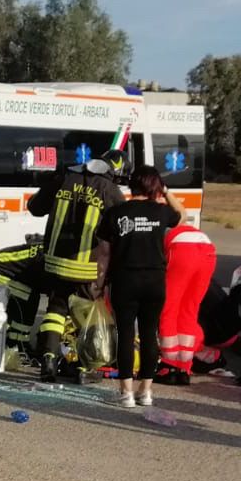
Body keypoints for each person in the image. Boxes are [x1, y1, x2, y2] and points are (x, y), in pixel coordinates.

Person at [30, 150, 128, 382]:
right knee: (88, 313)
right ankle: (87, 367)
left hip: (55, 262)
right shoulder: (110, 190)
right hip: (87, 267)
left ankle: (49, 361)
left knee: (56, 309)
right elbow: (124, 228)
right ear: (116, 171)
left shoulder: (64, 177)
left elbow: (35, 207)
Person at [93, 166, 186, 408]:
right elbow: (182, 215)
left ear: (132, 185)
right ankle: (146, 391)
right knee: (148, 335)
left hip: (125, 279)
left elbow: (104, 251)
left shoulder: (116, 212)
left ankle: (126, 393)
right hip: (154, 280)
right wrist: (165, 191)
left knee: (125, 334)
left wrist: (100, 282)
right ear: (154, 186)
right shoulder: (162, 211)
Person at [155, 223, 217, 385]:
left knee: (169, 310)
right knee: (190, 311)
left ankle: (168, 367)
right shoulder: (165, 223)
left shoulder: (148, 233)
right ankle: (184, 369)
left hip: (181, 248)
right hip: (208, 249)